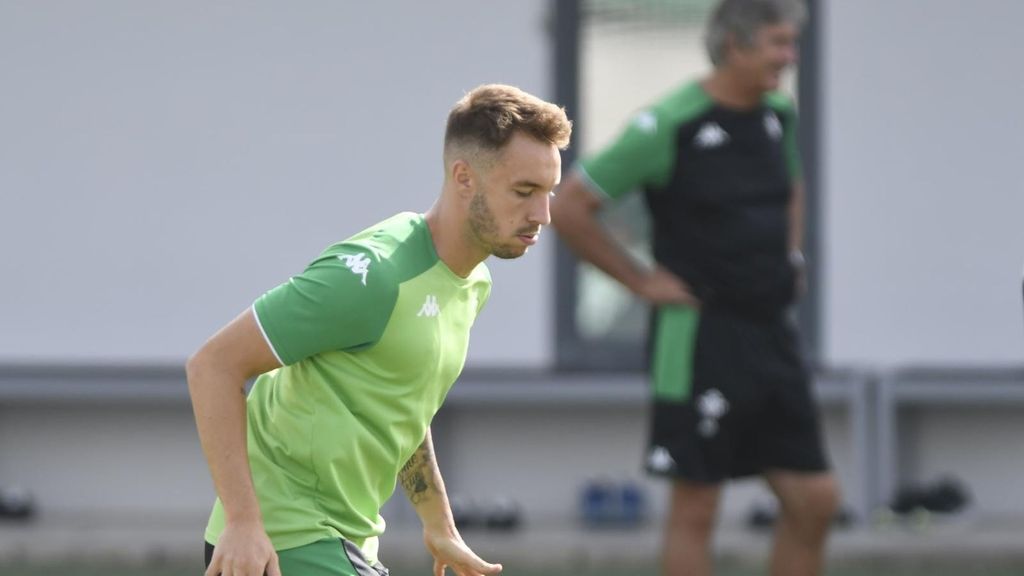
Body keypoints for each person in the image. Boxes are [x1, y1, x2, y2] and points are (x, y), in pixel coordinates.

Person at [187, 84, 571, 576]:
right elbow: (211, 366)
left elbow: (400, 400)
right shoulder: (370, 275)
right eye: (524, 192)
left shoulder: (473, 284)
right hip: (282, 543)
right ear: (464, 178)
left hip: (341, 540)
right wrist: (242, 522)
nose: (543, 215)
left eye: (549, 192)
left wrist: (439, 525)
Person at [550, 1, 838, 575]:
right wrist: (639, 280)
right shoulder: (668, 124)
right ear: (736, 45)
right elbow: (571, 206)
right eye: (778, 44)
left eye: (792, 44)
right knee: (698, 506)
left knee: (815, 501)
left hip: (772, 334)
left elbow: (793, 184)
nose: (789, 58)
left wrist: (792, 254)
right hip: (699, 336)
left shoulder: (778, 115)